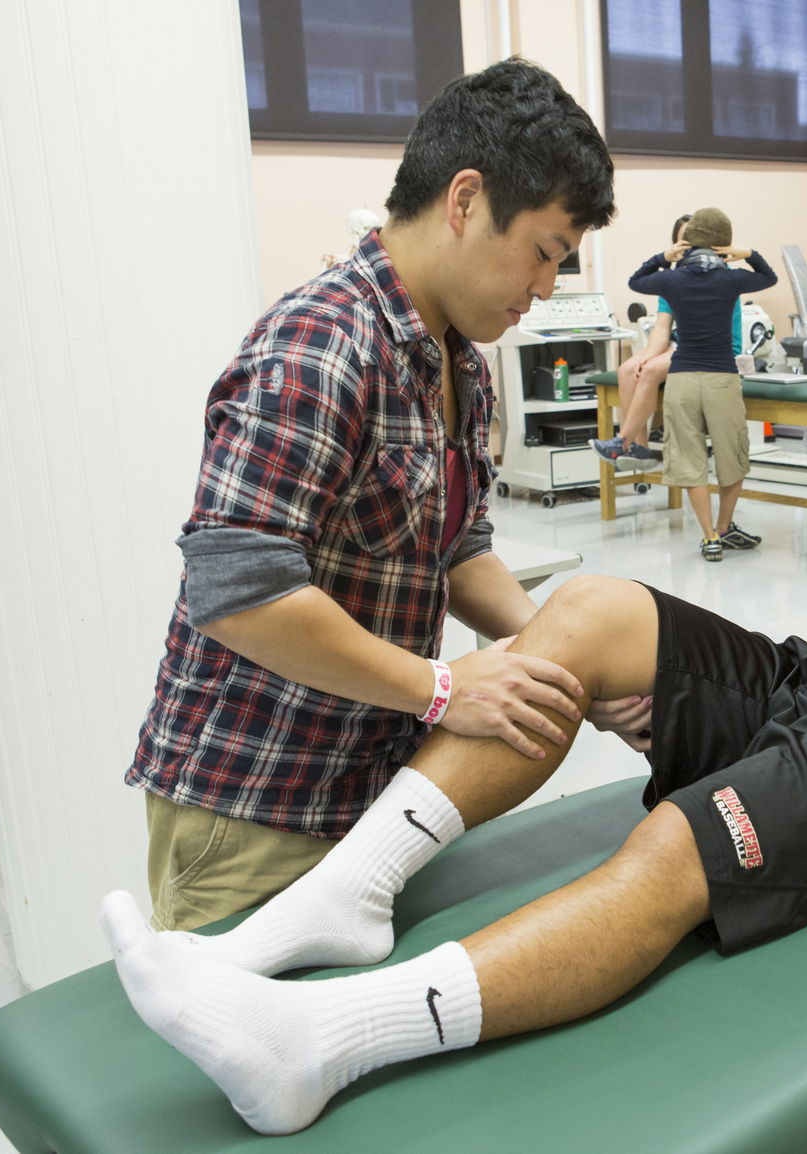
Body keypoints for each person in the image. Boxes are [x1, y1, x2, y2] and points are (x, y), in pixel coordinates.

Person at [99, 174, 807, 1136]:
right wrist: (637, 682)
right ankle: (347, 894)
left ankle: (323, 1037)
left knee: (671, 843)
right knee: (591, 605)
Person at [124, 59, 653, 935]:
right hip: (260, 804)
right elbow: (237, 592)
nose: (545, 287)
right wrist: (442, 689)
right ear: (466, 200)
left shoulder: (458, 365)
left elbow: (458, 549)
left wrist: (556, 654)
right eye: (544, 252)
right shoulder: (323, 343)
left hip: (377, 792)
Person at [626, 207, 778, 560]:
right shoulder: (732, 279)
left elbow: (636, 280)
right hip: (721, 379)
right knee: (733, 457)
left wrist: (664, 257)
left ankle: (709, 536)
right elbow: (768, 276)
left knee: (690, 458)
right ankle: (725, 527)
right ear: (724, 244)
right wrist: (747, 254)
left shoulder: (672, 280)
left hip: (681, 380)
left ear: (688, 241)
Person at [589, 213, 690, 464]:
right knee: (627, 369)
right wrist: (646, 356)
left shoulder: (717, 273)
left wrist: (650, 363)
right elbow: (662, 327)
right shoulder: (673, 278)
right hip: (679, 343)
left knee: (649, 371)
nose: (688, 248)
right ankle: (640, 448)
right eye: (682, 243)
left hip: (699, 345)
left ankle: (622, 441)